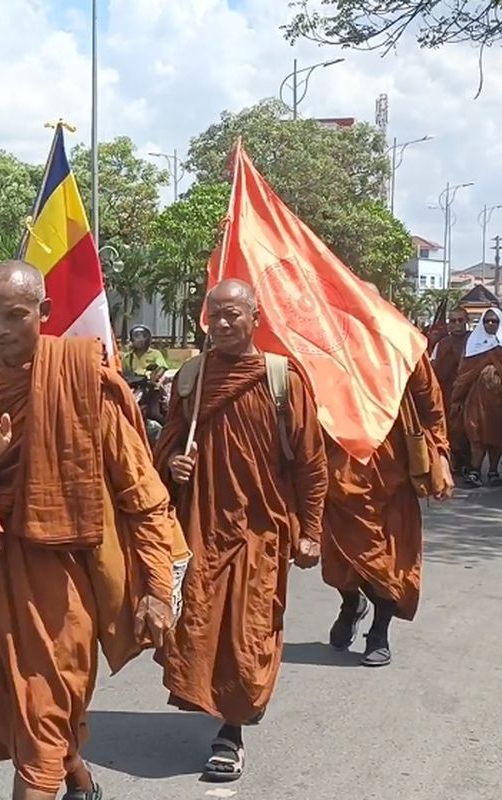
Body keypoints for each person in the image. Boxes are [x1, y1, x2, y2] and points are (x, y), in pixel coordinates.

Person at [0, 261, 189, 800]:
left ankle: (53, 779)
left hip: (69, 580)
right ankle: (80, 780)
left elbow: (142, 493)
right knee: (29, 703)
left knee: (44, 704)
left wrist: (160, 587)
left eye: (15, 316)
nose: (0, 330)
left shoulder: (84, 381)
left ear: (43, 313)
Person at [151, 279, 328, 783]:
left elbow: (311, 463)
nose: (223, 324)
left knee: (248, 632)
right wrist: (174, 467)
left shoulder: (281, 380)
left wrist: (310, 530)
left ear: (255, 317)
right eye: (215, 316)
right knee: (200, 624)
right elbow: (162, 453)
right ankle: (223, 707)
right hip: (201, 528)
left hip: (260, 530)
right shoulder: (192, 378)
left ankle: (232, 731)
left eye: (233, 315)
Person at [322, 353, 454, 668]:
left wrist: (443, 460)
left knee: (389, 560)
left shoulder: (403, 346)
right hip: (340, 470)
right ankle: (351, 603)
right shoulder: (330, 341)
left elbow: (431, 407)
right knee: (341, 555)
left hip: (393, 473)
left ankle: (379, 633)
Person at [449, 308, 502, 488]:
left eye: (494, 321)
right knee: (475, 435)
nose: (490, 324)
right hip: (476, 399)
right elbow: (464, 373)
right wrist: (457, 398)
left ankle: (493, 471)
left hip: (500, 401)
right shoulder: (473, 343)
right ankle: (474, 471)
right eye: (487, 321)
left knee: (498, 436)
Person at [432, 306, 470, 474]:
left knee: (467, 430)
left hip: (468, 394)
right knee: (449, 429)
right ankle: (452, 461)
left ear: (466, 322)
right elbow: (433, 367)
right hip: (446, 393)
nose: (457, 324)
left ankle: (468, 463)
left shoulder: (473, 342)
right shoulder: (442, 344)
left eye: (460, 320)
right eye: (453, 321)